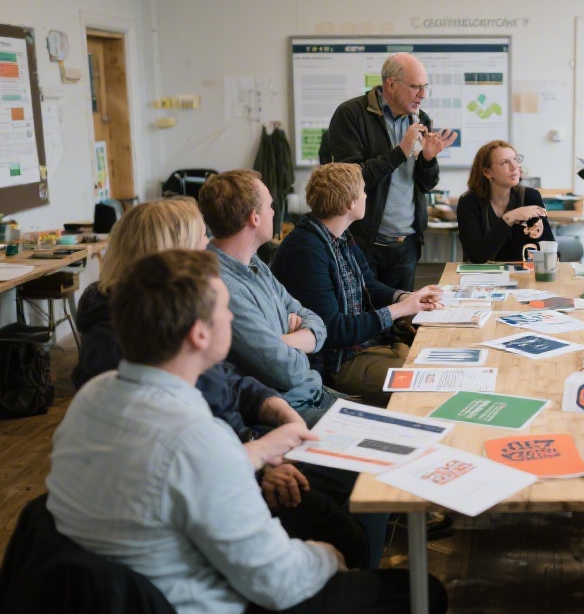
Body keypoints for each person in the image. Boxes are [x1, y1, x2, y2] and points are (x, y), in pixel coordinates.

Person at [47, 250, 447, 614]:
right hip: (201, 599)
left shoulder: (94, 397)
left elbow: (179, 473)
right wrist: (325, 558)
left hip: (122, 588)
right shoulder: (197, 439)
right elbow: (278, 581)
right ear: (199, 334)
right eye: (225, 309)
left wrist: (256, 452)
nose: (233, 318)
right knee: (421, 592)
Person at [70, 197, 369, 569]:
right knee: (346, 514)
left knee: (348, 479)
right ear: (169, 256)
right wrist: (259, 461)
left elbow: (224, 381)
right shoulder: (123, 343)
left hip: (238, 451)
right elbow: (188, 448)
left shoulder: (174, 315)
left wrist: (272, 409)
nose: (209, 247)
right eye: (200, 239)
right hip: (218, 481)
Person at [271, 163, 445, 407]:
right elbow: (331, 330)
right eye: (363, 191)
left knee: (436, 362)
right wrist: (400, 310)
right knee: (427, 385)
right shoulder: (306, 248)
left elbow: (369, 287)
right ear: (350, 203)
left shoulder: (340, 236)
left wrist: (407, 297)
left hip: (360, 348)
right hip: (336, 364)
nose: (367, 195)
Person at [198, 170, 337, 423]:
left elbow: (315, 321)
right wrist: (298, 340)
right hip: (290, 410)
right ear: (255, 217)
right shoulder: (224, 287)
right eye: (270, 205)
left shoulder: (254, 263)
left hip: (313, 393)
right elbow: (289, 371)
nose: (274, 212)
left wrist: (280, 340)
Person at [321, 52, 458, 291]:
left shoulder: (421, 118)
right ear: (391, 85)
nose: (422, 95)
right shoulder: (351, 114)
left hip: (406, 245)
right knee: (368, 319)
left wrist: (428, 159)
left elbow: (426, 185)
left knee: (401, 320)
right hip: (363, 243)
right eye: (416, 87)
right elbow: (351, 179)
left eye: (424, 87)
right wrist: (401, 150)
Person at [456, 140, 554, 263]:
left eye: (516, 160)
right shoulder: (469, 203)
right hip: (483, 277)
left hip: (522, 274)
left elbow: (548, 248)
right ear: (487, 172)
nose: (514, 167)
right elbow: (477, 256)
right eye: (504, 163)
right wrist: (509, 218)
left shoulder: (530, 196)